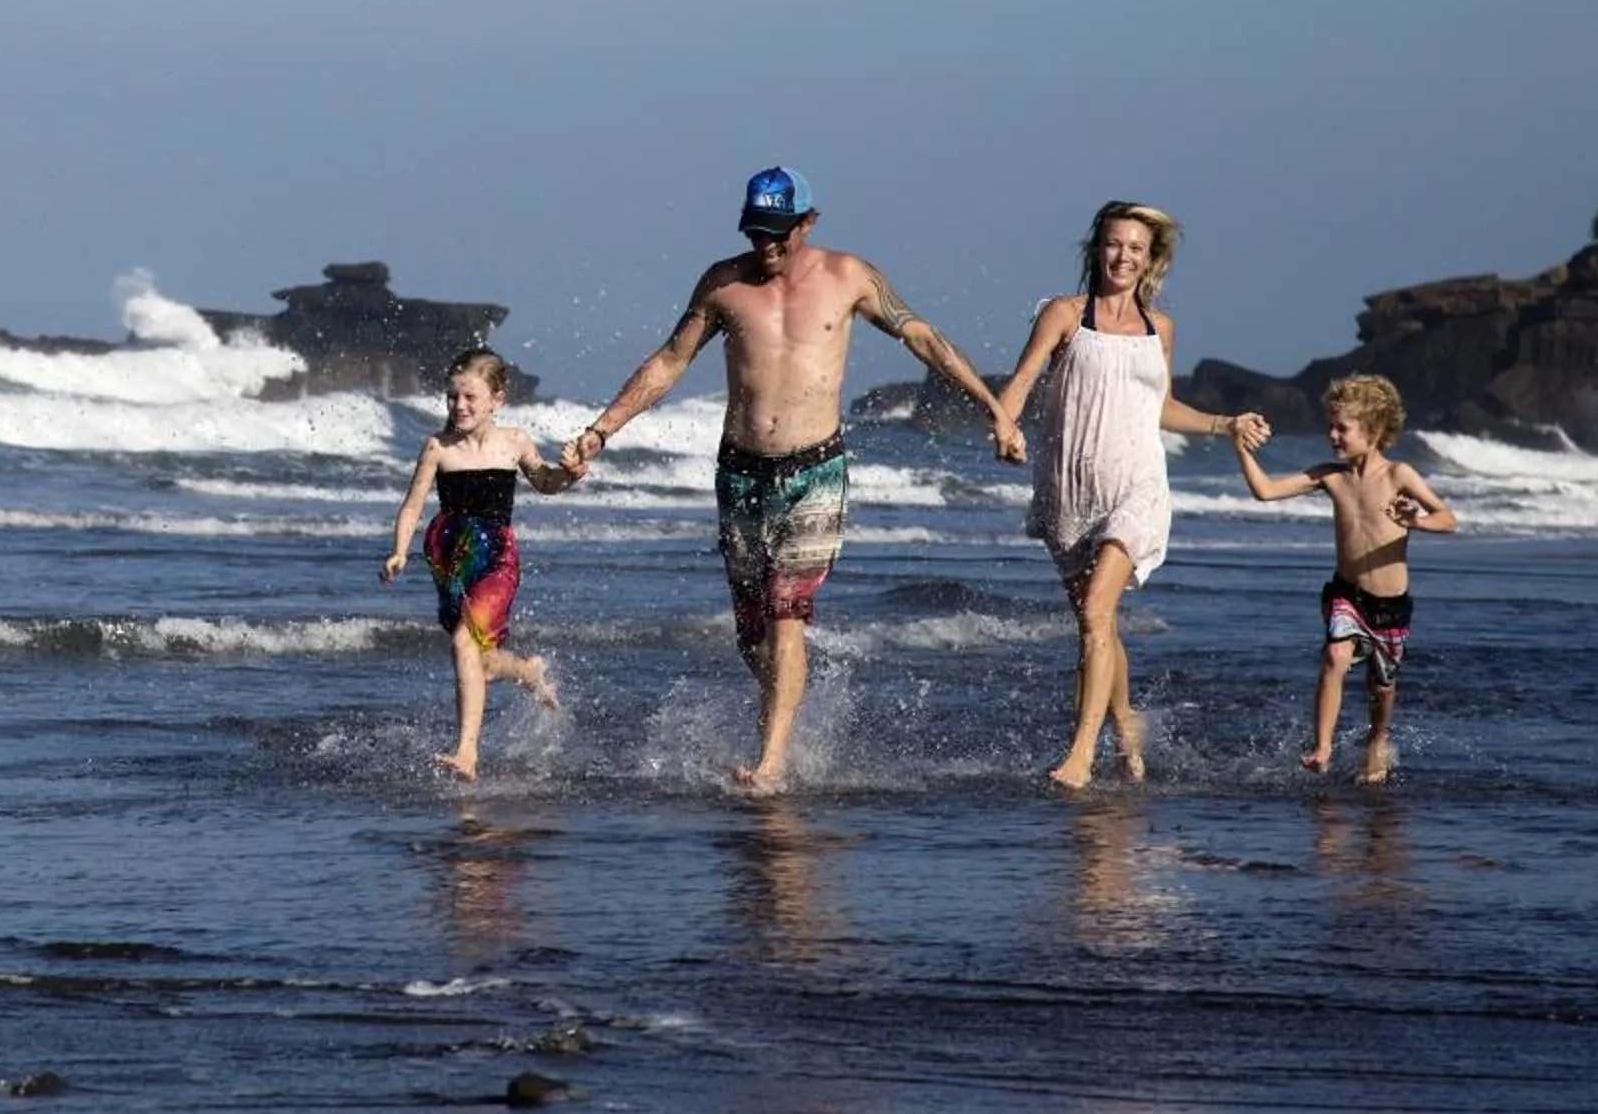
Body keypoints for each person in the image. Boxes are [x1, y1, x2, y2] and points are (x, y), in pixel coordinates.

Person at [561, 167, 1022, 793]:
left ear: (808, 222)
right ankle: (787, 707)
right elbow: (670, 361)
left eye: (779, 231)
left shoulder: (849, 277)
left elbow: (922, 338)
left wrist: (993, 409)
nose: (767, 244)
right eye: (757, 232)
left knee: (785, 614)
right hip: (740, 471)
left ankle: (771, 762)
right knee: (752, 635)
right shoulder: (723, 283)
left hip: (814, 470)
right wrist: (600, 431)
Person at [997, 202, 1268, 789]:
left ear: (1150, 260)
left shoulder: (1159, 328)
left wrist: (1224, 424)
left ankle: (1080, 756)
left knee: (1097, 612)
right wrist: (1005, 426)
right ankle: (1126, 728)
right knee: (1097, 622)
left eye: (1136, 248)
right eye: (1114, 244)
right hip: (1070, 489)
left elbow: (1160, 407)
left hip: (1137, 484)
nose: (1123, 256)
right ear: (1097, 250)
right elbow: (1022, 380)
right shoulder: (1064, 314)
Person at [1234, 372, 1457, 782]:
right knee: (1336, 656)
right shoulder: (1330, 476)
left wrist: (1417, 521)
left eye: (1342, 428)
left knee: (1381, 685)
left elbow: (1448, 519)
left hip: (1390, 603)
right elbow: (1265, 491)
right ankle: (1322, 748)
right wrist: (1241, 450)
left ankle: (1377, 737)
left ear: (1373, 430)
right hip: (1346, 594)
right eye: (1330, 426)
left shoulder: (1399, 475)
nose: (1332, 435)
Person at [380, 348, 575, 779]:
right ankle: (526, 669)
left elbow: (545, 481)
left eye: (470, 397)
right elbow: (412, 505)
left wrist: (569, 474)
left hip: (497, 559)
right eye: (452, 397)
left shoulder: (514, 442)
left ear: (496, 399)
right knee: (479, 662)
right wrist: (399, 551)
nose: (460, 406)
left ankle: (466, 753)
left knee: (464, 645)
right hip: (450, 558)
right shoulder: (438, 447)